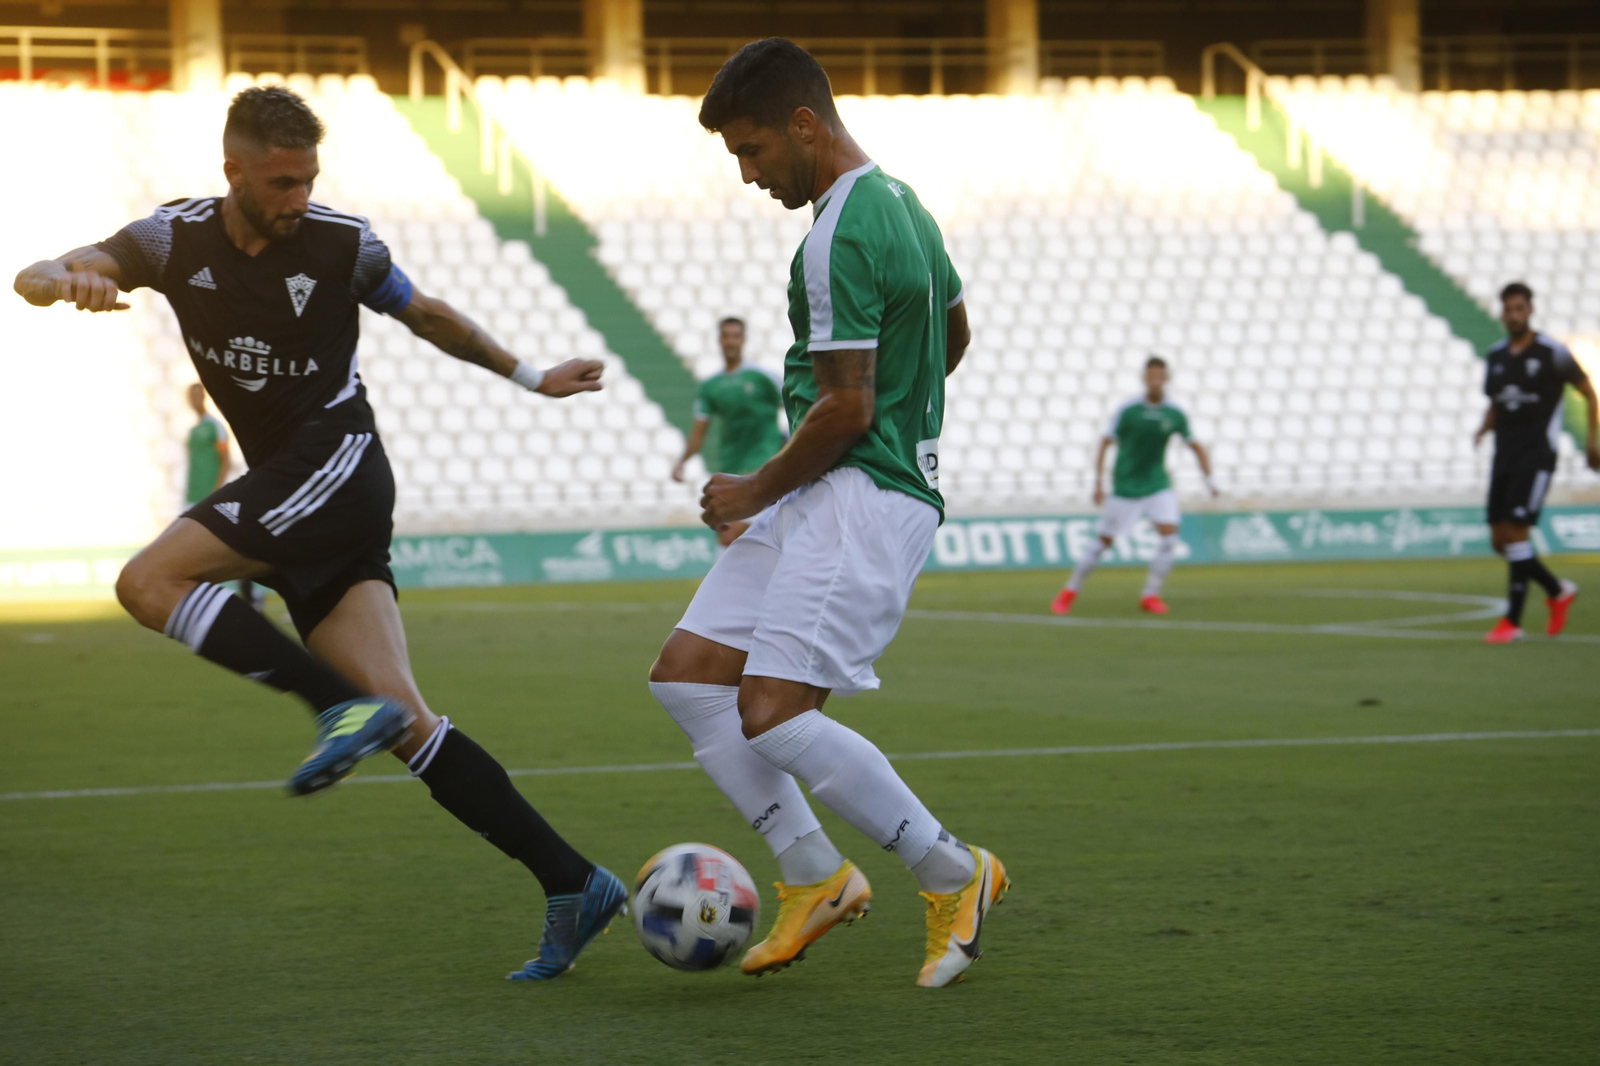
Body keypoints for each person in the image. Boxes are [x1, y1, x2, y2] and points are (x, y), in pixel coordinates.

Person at [11, 86, 626, 980]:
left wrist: (532, 375)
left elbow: (428, 315)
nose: (298, 195)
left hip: (334, 465)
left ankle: (332, 705)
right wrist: (66, 279)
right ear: (236, 173)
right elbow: (40, 271)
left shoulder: (343, 243)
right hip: (293, 493)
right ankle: (573, 881)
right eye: (282, 180)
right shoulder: (171, 239)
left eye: (308, 178)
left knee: (147, 584)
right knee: (411, 724)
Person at [646, 39, 1006, 990]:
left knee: (772, 712)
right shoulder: (906, 209)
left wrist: (751, 488)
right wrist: (897, 416)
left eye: (753, 151)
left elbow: (845, 409)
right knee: (688, 677)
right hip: (831, 487)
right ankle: (815, 876)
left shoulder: (834, 237)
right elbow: (954, 333)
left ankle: (953, 872)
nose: (750, 174)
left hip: (859, 495)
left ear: (804, 123)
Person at [1474, 282, 1598, 643]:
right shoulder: (1497, 356)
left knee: (1516, 532)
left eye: (1519, 308)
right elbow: (1497, 402)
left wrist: (1592, 443)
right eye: (1508, 309)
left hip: (1537, 455)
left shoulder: (1552, 353)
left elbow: (1589, 392)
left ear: (1530, 311)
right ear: (1502, 313)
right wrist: (1483, 429)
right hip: (1505, 455)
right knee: (1500, 539)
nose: (1513, 315)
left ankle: (1511, 622)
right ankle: (1557, 589)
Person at [1051, 356, 1216, 616]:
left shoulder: (1174, 413)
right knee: (1102, 542)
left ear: (1167, 378)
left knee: (1169, 536)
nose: (1155, 381)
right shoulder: (1128, 410)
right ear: (1144, 379)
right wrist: (1098, 483)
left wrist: (1210, 480)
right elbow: (1105, 442)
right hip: (1126, 485)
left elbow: (1194, 445)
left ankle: (1150, 595)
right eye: (1150, 376)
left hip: (1157, 483)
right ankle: (1069, 591)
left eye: (1160, 376)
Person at [672, 316, 787, 545]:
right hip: (731, 470)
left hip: (764, 471)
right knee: (732, 539)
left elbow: (795, 407)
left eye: (736, 336)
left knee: (733, 535)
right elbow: (698, 433)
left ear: (743, 340)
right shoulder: (710, 386)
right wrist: (682, 461)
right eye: (726, 336)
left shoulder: (763, 378)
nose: (731, 341)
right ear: (719, 340)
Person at [183, 382, 263, 610]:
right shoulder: (192, 431)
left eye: (198, 394)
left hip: (211, 495)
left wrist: (215, 491)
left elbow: (226, 460)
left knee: (229, 546)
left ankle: (250, 592)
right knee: (192, 550)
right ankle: (200, 599)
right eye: (191, 395)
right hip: (193, 495)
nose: (195, 399)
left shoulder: (215, 426)